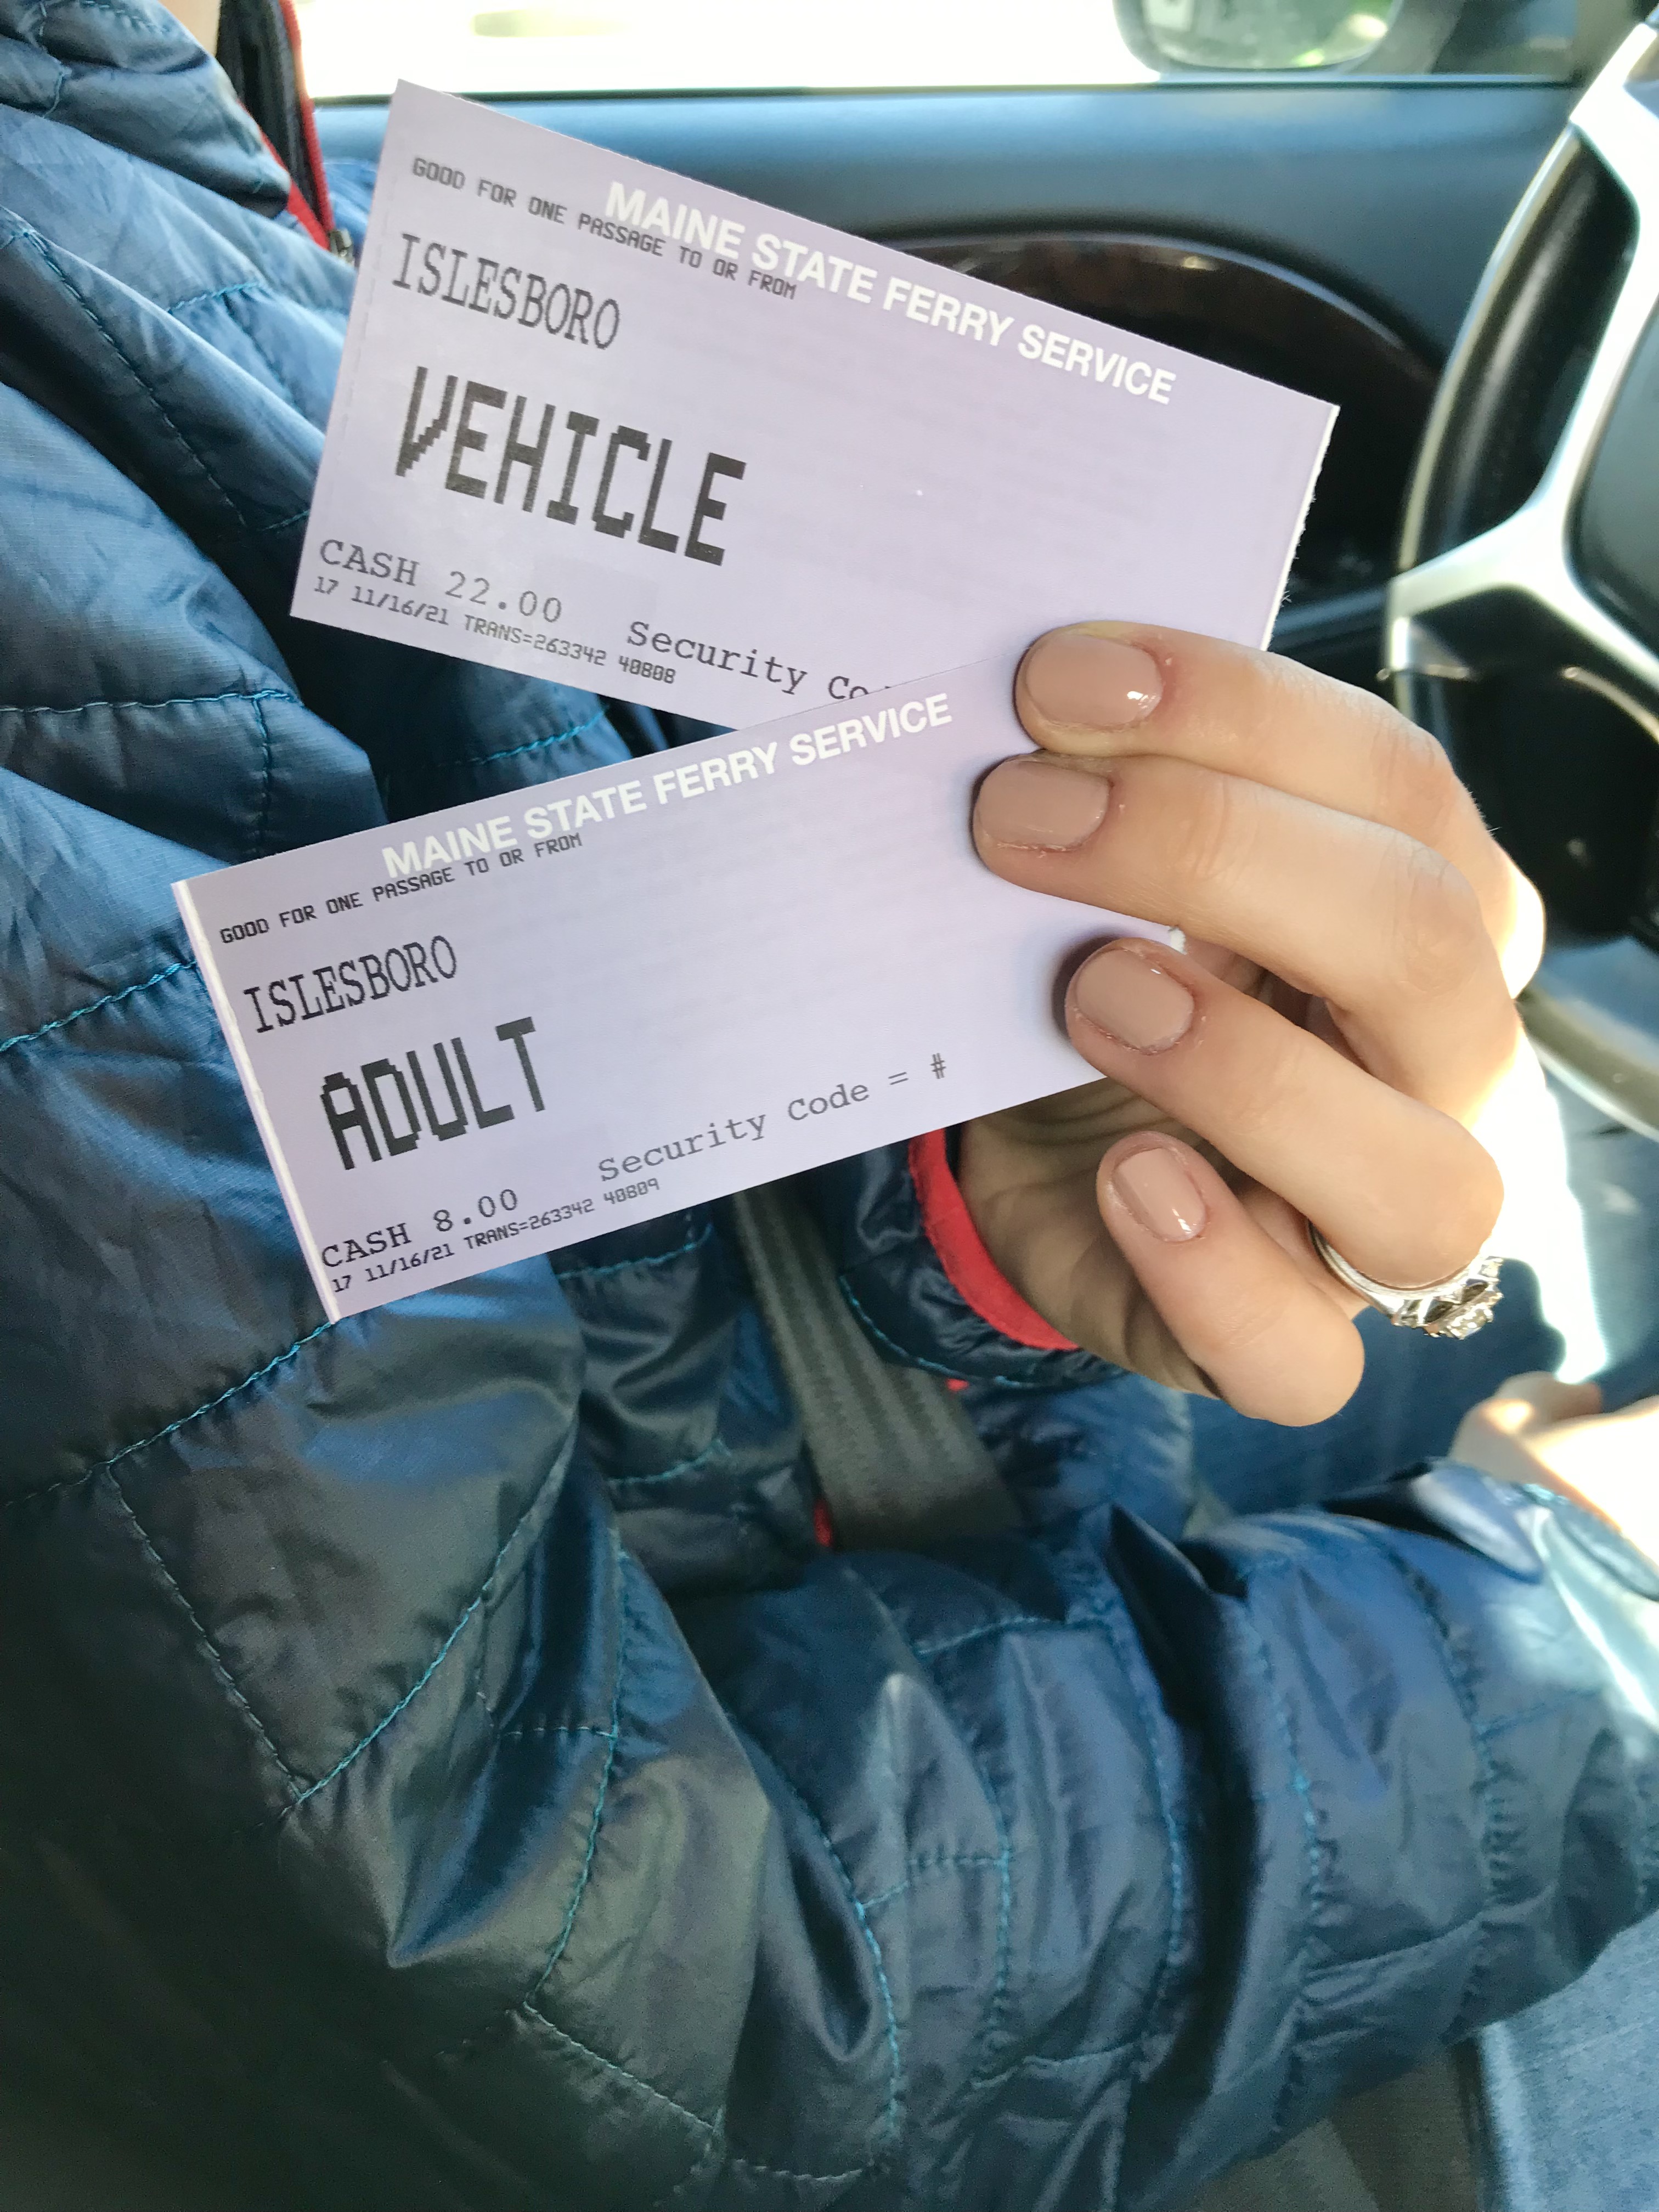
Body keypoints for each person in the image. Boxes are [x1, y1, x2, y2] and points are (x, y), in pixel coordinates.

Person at [0, 3, 1655, 2208]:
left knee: (1513, 1282)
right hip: (795, 1960)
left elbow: (529, 1227)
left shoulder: (223, 146)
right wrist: (1591, 1620)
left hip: (889, 1545)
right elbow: (593, 1984)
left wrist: (960, 1219)